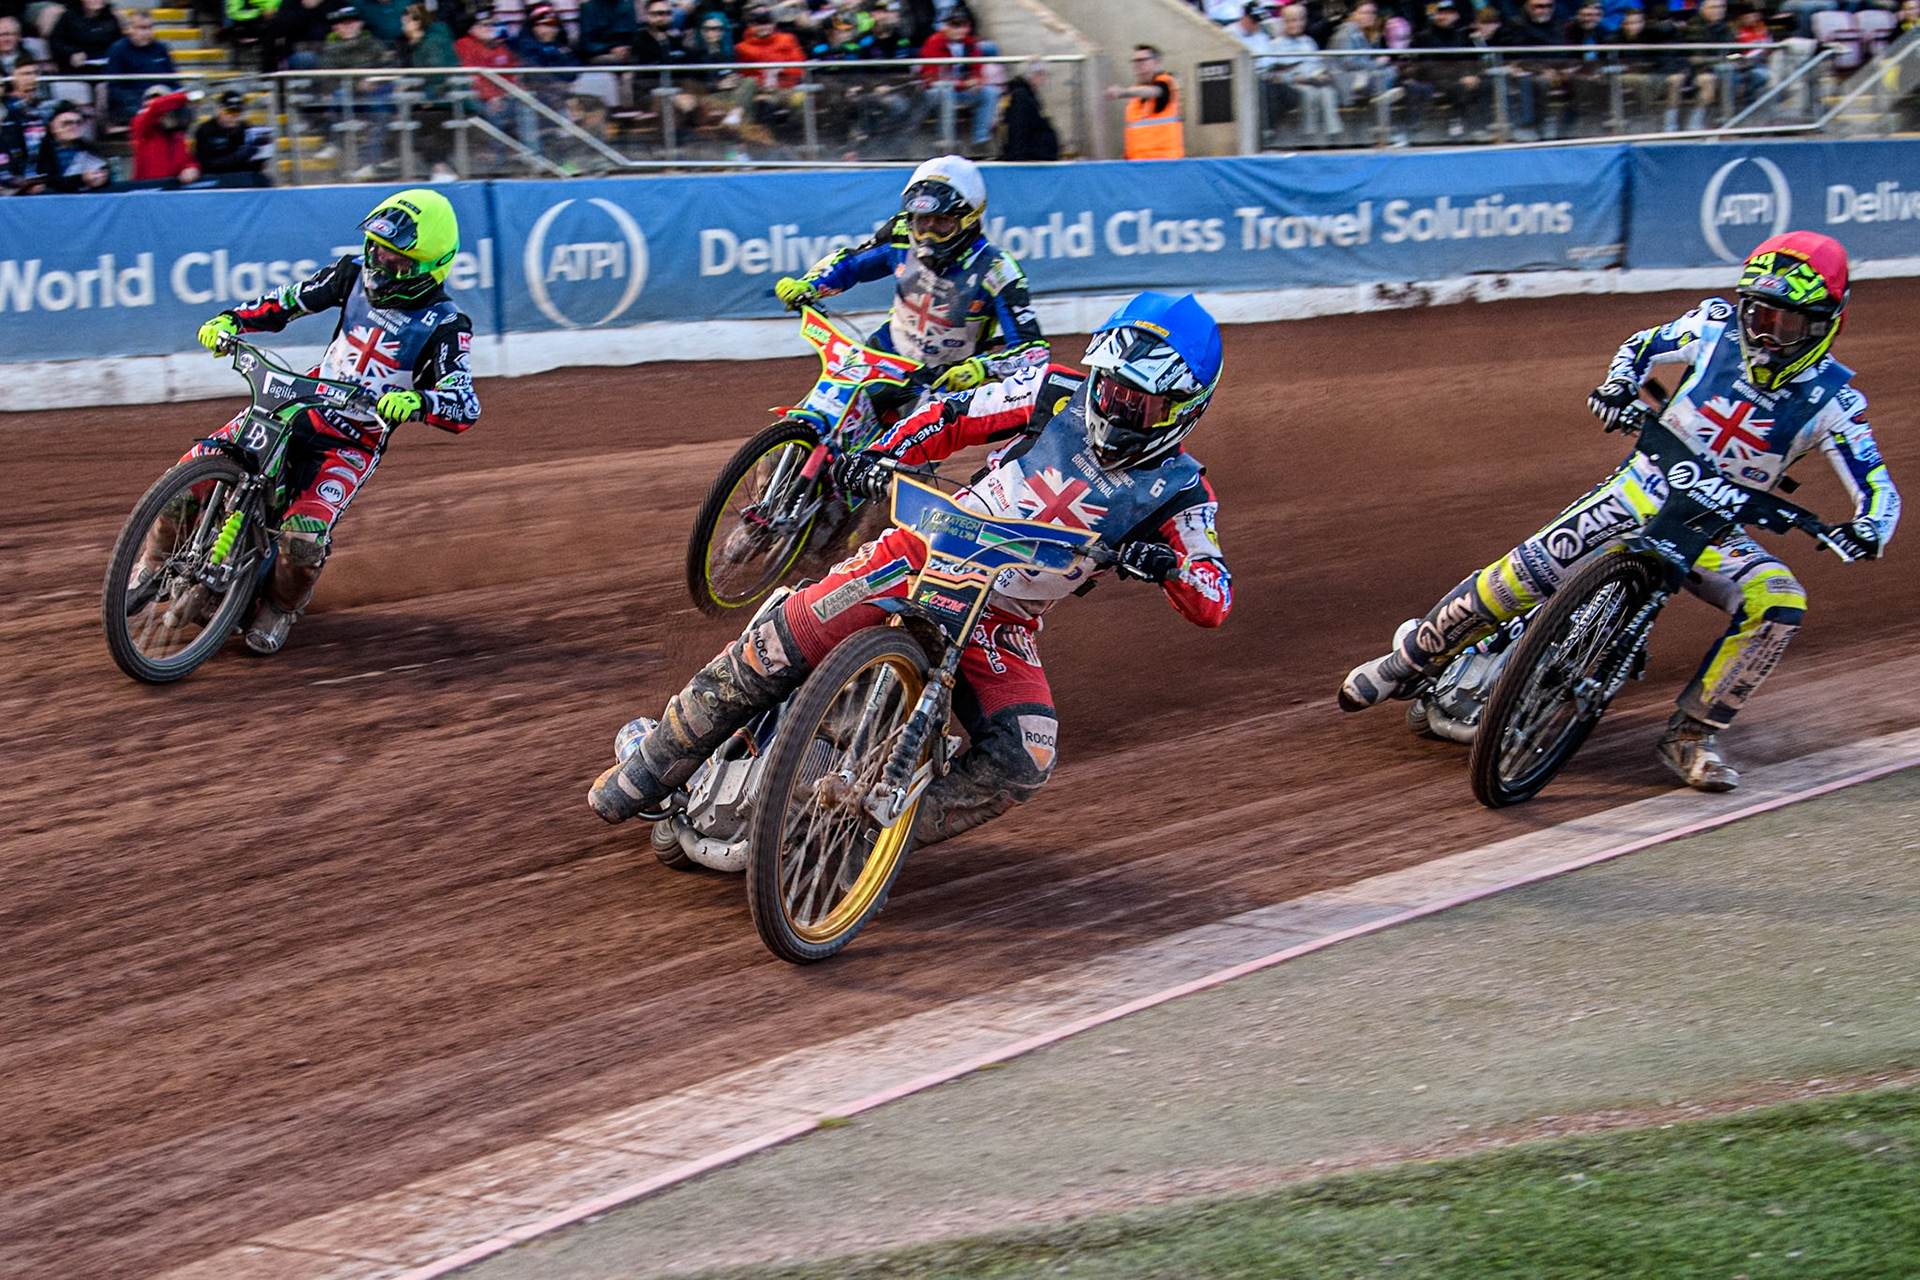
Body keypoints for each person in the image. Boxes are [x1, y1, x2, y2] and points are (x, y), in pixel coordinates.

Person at [589, 291, 1233, 845]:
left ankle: (869, 839)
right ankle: (650, 765)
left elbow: (1215, 594)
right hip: (929, 552)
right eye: (1109, 386)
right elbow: (952, 417)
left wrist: (1169, 564)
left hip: (1002, 624)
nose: (1114, 407)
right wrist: (884, 455)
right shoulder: (1052, 391)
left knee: (1029, 754)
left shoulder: (1182, 493)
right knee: (790, 630)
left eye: (1136, 401)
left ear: (1185, 407)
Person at [1339, 231, 1899, 792]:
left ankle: (1691, 736)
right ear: (1743, 305)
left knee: (1780, 601)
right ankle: (1402, 666)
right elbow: (1640, 347)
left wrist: (1870, 526)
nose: (1770, 336)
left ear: (1829, 324)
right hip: (1641, 490)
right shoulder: (1709, 329)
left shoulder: (1834, 400)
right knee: (1523, 571)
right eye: (1759, 317)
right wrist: (1617, 386)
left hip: (1714, 529)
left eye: (1791, 325)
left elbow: (1878, 484)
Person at [186, 189, 481, 654]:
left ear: (431, 266)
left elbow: (464, 403)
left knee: (303, 541)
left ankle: (281, 607)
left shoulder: (446, 323)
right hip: (296, 406)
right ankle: (150, 562)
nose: (381, 265)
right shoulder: (350, 274)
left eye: (398, 260)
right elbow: (286, 301)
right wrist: (230, 321)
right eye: (378, 250)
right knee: (192, 471)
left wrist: (420, 402)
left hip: (352, 441)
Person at [773, 154, 1048, 395]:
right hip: (884, 354)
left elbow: (1034, 351)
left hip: (941, 382)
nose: (927, 232)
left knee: (900, 451)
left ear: (969, 220)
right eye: (921, 221)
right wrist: (809, 284)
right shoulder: (901, 235)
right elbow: (852, 264)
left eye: (942, 222)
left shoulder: (997, 269)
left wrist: (981, 369)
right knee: (822, 408)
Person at [917, 8, 998, 150]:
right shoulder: (934, 43)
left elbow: (977, 68)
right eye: (955, 25)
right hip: (935, 91)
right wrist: (964, 84)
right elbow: (932, 78)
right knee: (945, 93)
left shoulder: (970, 43)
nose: (959, 30)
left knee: (990, 92)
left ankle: (981, 141)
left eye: (963, 26)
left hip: (961, 89)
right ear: (946, 26)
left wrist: (977, 81)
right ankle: (948, 142)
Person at [1106, 41, 1182, 158]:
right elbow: (1133, 130)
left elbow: (1153, 92)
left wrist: (1122, 92)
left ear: (1156, 62)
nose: (1138, 65)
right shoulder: (1134, 94)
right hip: (1138, 163)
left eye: (1143, 60)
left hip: (1165, 162)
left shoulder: (1166, 83)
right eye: (1135, 61)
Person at [103, 8, 175, 122]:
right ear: (130, 29)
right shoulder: (118, 50)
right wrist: (145, 99)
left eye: (150, 27)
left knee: (184, 109)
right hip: (132, 101)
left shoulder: (161, 49)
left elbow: (173, 81)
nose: (147, 32)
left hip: (161, 97)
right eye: (142, 28)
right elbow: (114, 88)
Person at [193, 87, 270, 184]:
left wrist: (260, 154)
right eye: (228, 111)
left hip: (241, 176)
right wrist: (237, 156)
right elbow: (206, 164)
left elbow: (255, 168)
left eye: (237, 112)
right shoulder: (205, 130)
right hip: (216, 177)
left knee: (262, 179)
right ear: (219, 110)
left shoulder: (247, 129)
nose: (233, 116)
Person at [129, 84, 200, 181]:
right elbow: (157, 108)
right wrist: (186, 97)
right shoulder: (140, 124)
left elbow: (187, 160)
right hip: (147, 188)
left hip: (173, 189)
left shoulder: (178, 135)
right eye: (150, 100)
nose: (154, 103)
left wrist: (191, 168)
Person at [36, 99, 110, 188]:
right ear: (52, 128)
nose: (74, 127)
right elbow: (47, 181)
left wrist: (101, 178)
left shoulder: (88, 147)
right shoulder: (42, 151)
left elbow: (105, 171)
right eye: (67, 123)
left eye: (78, 123)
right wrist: (81, 179)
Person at [998, 57, 1058, 159]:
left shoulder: (1029, 95)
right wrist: (1020, 160)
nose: (1043, 78)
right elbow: (1018, 129)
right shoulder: (1020, 97)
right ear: (1032, 75)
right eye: (1041, 74)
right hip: (1031, 160)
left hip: (1040, 158)